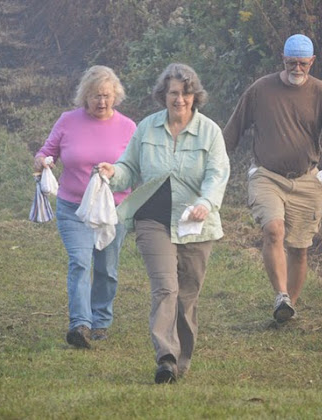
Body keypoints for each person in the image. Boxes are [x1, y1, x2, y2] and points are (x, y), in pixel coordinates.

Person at [97, 63, 230, 384]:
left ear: (195, 96)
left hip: (196, 222)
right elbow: (129, 167)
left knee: (186, 295)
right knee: (165, 287)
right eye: (173, 92)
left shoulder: (210, 132)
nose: (179, 99)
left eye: (186, 93)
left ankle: (182, 358)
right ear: (163, 95)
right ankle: (166, 358)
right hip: (153, 218)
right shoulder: (147, 129)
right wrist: (113, 173)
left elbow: (217, 174)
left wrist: (205, 202)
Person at [223, 34, 322, 323]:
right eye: (292, 62)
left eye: (303, 64)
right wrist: (215, 162)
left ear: (312, 62)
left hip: (307, 180)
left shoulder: (321, 92)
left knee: (300, 249)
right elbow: (233, 130)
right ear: (282, 60)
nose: (297, 69)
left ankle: (288, 308)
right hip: (267, 175)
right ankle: (280, 295)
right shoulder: (261, 90)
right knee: (273, 230)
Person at [34, 65, 136, 349]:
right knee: (80, 262)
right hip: (73, 207)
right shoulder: (68, 121)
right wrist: (43, 161)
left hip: (113, 210)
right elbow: (46, 151)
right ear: (84, 97)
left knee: (107, 269)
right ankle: (80, 324)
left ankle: (101, 320)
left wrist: (114, 171)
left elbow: (136, 167)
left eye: (106, 96)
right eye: (94, 96)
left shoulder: (128, 127)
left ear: (115, 95)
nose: (101, 102)